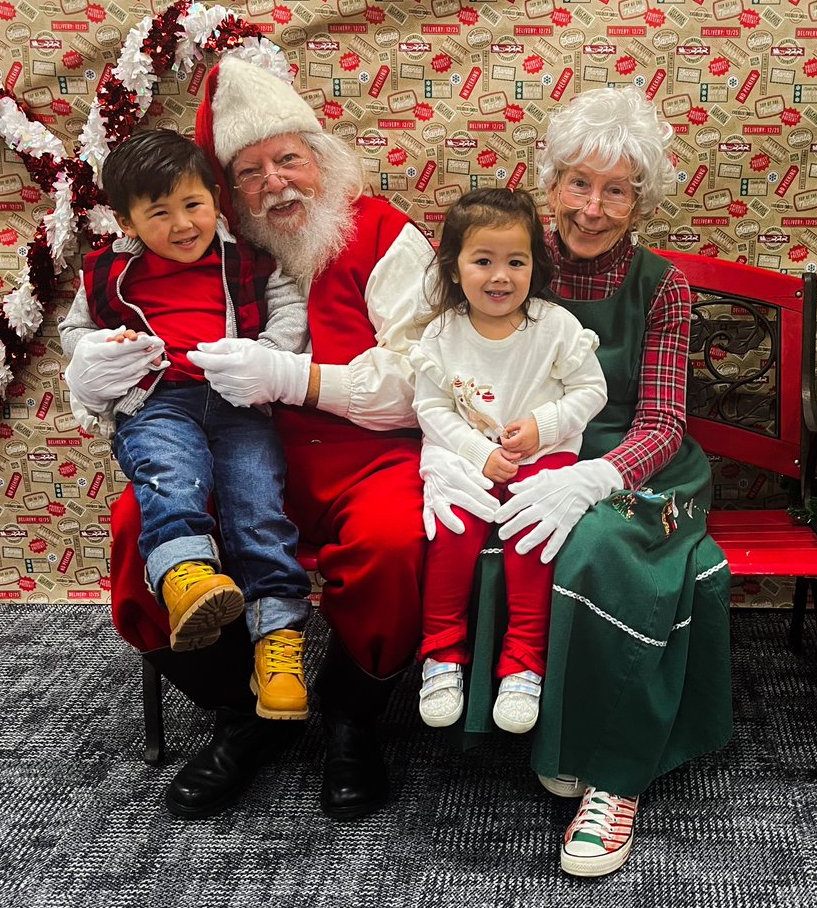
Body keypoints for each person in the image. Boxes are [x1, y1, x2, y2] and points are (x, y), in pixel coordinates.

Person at [60, 55, 434, 820]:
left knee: (396, 541)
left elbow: (424, 382)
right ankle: (243, 712)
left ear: (322, 157)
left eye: (288, 158)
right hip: (236, 456)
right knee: (138, 531)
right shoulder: (203, 251)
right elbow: (122, 355)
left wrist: (294, 379)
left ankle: (351, 713)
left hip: (370, 459)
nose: (276, 184)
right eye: (252, 170)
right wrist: (90, 380)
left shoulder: (392, 238)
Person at [422, 86, 733, 877]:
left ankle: (613, 777)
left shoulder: (664, 286)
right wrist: (445, 455)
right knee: (473, 527)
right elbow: (445, 364)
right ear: (550, 183)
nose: (592, 208)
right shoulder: (513, 259)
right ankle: (528, 713)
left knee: (597, 543)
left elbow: (663, 423)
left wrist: (595, 476)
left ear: (640, 200)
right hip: (526, 454)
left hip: (639, 462)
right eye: (578, 183)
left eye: (616, 189)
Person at [59, 129, 314, 721]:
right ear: (126, 221)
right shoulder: (106, 273)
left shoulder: (246, 259)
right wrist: (98, 349)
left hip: (236, 402)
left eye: (194, 205)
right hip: (159, 401)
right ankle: (185, 577)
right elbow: (75, 338)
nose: (182, 225)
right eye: (160, 213)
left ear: (216, 202)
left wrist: (269, 357)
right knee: (170, 476)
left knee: (260, 505)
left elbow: (289, 309)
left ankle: (278, 641)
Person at [411, 188, 607, 736]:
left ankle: (523, 664)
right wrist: (478, 453)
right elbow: (429, 408)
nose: (500, 276)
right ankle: (442, 655)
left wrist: (544, 425)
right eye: (483, 261)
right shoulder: (442, 336)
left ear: (534, 266)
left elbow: (591, 390)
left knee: (532, 538)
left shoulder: (555, 327)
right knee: (451, 534)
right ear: (453, 268)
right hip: (467, 462)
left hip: (543, 460)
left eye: (515, 262)